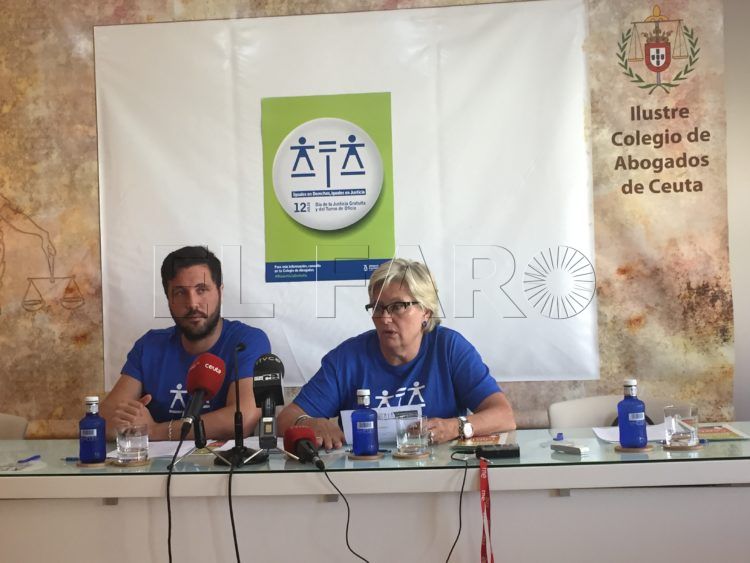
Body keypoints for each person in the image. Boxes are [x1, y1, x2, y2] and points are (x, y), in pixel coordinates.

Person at [277, 259, 516, 449]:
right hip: (363, 476)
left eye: (398, 306)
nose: (384, 318)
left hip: (441, 475)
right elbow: (286, 419)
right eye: (377, 307)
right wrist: (309, 423)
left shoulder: (449, 348)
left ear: (426, 311)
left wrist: (455, 427)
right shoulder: (347, 358)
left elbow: (504, 416)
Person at [100, 246, 270, 440]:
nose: (192, 304)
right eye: (180, 292)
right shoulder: (149, 345)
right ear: (168, 299)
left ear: (220, 292)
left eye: (201, 290)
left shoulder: (247, 342)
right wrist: (125, 420)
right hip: (155, 460)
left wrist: (154, 430)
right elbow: (106, 417)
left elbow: (243, 419)